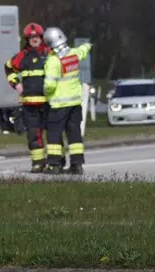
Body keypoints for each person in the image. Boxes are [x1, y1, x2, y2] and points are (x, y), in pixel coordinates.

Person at [6, 22, 60, 173]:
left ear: (42, 38)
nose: (34, 40)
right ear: (27, 39)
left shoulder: (50, 53)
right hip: (29, 104)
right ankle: (38, 163)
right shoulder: (22, 56)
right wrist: (16, 84)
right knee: (33, 135)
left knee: (53, 134)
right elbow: (8, 67)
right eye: (31, 38)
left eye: (37, 37)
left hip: (49, 102)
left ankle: (55, 163)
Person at [44, 27, 91, 174]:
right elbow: (84, 49)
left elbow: (50, 85)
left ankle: (54, 165)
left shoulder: (53, 61)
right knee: (74, 135)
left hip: (59, 104)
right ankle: (77, 165)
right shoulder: (73, 54)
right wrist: (88, 45)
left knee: (54, 134)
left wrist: (46, 92)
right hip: (75, 103)